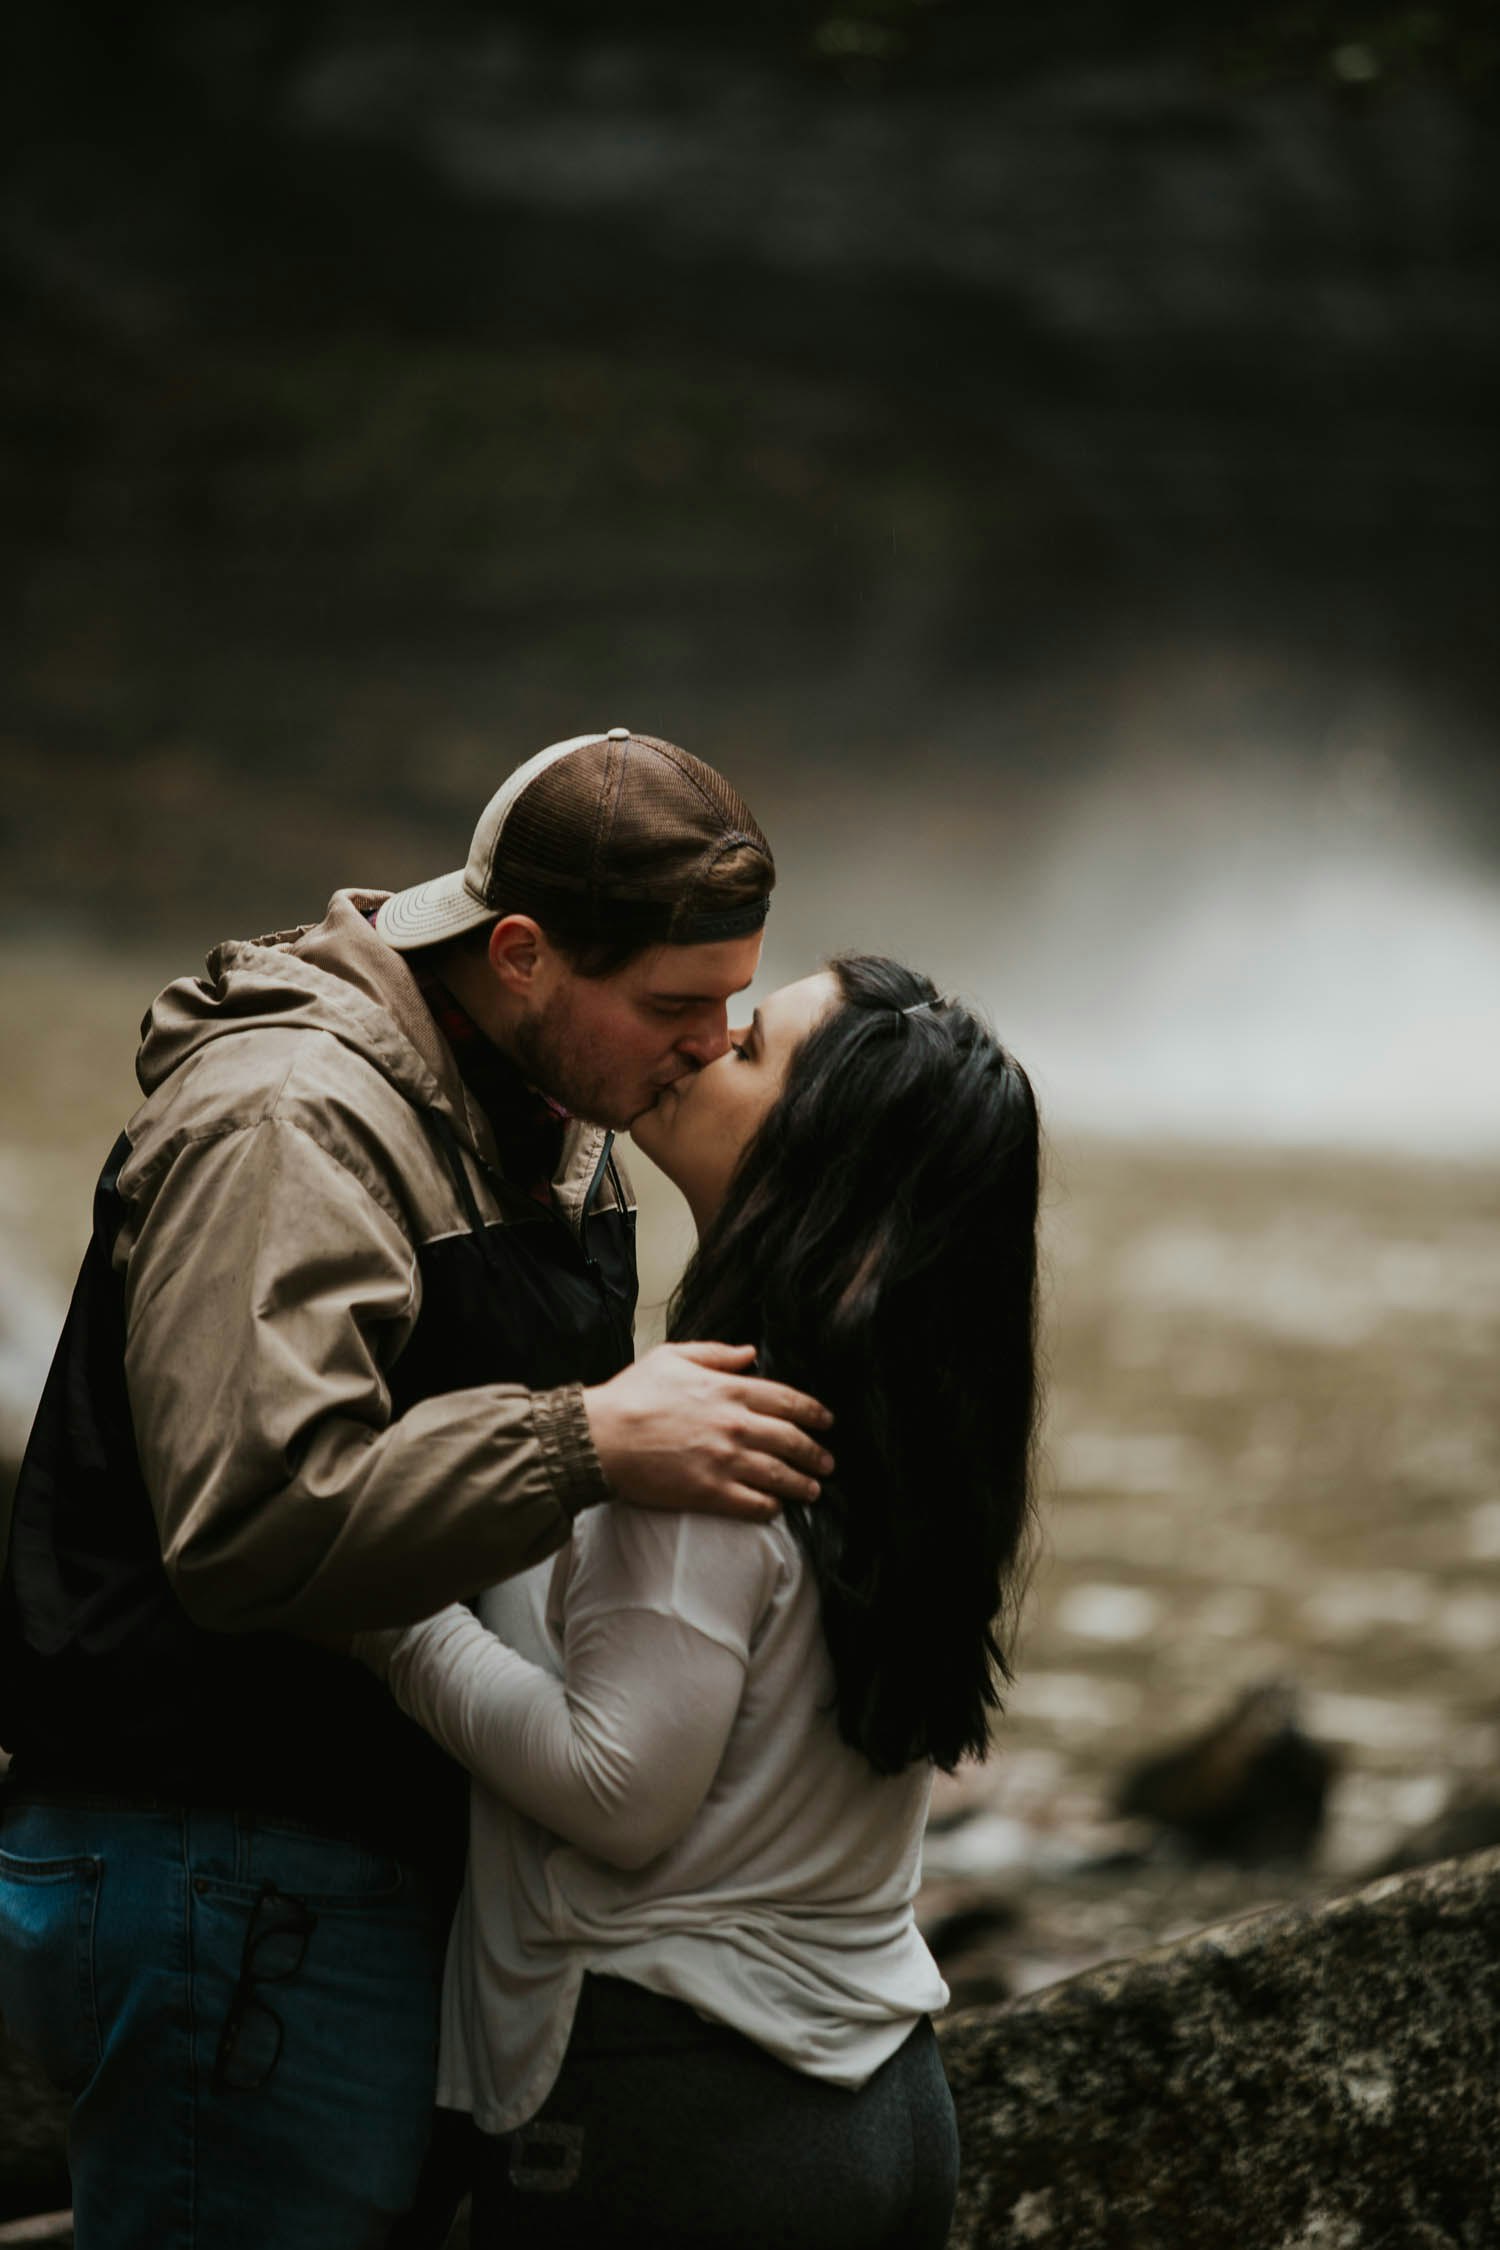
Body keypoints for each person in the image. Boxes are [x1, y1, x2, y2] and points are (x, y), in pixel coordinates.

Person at [0, 731, 837, 2250]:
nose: (715, 1042)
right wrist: (588, 1439)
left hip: (335, 1862)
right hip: (219, 1860)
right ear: (519, 952)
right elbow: (251, 1519)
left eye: (734, 1000)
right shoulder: (291, 1117)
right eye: (676, 1003)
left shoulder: (544, 1087)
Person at [356, 953, 1041, 2250]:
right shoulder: (912, 1432)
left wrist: (383, 1609)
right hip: (885, 2100)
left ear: (831, 1161)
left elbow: (619, 1789)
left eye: (750, 1046)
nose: (699, 1041)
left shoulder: (701, 1440)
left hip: (685, 2115)